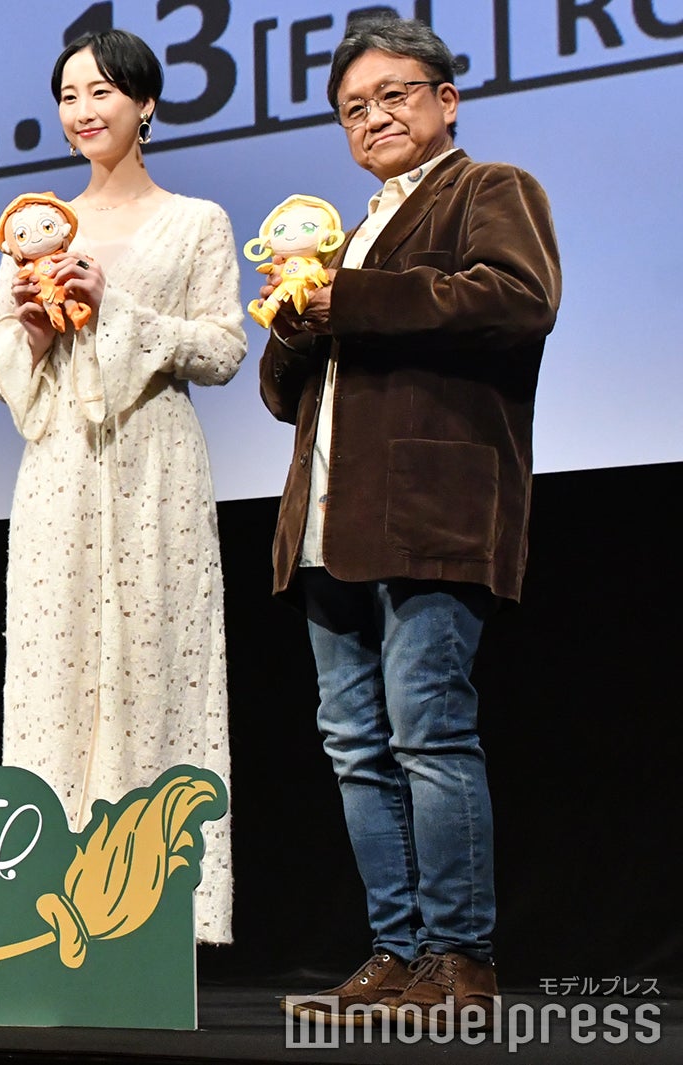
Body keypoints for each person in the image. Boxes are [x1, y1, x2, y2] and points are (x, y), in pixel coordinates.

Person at [259, 16, 561, 1027]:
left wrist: (347, 298)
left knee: (430, 732)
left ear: (445, 99)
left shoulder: (489, 189)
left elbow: (516, 299)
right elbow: (282, 395)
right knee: (354, 744)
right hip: (327, 521)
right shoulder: (344, 239)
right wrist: (294, 321)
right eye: (353, 107)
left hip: (432, 508)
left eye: (393, 95)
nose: (373, 117)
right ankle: (395, 950)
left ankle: (459, 958)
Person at [0, 29, 245, 945]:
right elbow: (4, 358)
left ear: (145, 104)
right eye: (68, 95)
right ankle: (49, 904)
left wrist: (117, 306)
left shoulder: (196, 221)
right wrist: (32, 329)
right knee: (54, 668)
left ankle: (160, 914)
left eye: (101, 91)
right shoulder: (35, 223)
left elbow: (223, 346)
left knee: (156, 662)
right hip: (59, 463)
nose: (83, 110)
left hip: (155, 464)